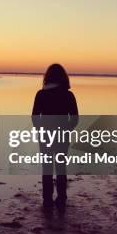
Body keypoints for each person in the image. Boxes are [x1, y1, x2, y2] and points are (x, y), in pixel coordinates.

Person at [31, 63, 78, 214]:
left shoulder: (41, 94)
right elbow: (75, 119)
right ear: (64, 78)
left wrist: (41, 130)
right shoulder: (69, 95)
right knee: (61, 168)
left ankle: (47, 201)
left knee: (47, 168)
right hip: (62, 136)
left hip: (45, 136)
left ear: (47, 77)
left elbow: (34, 117)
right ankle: (62, 200)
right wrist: (66, 129)